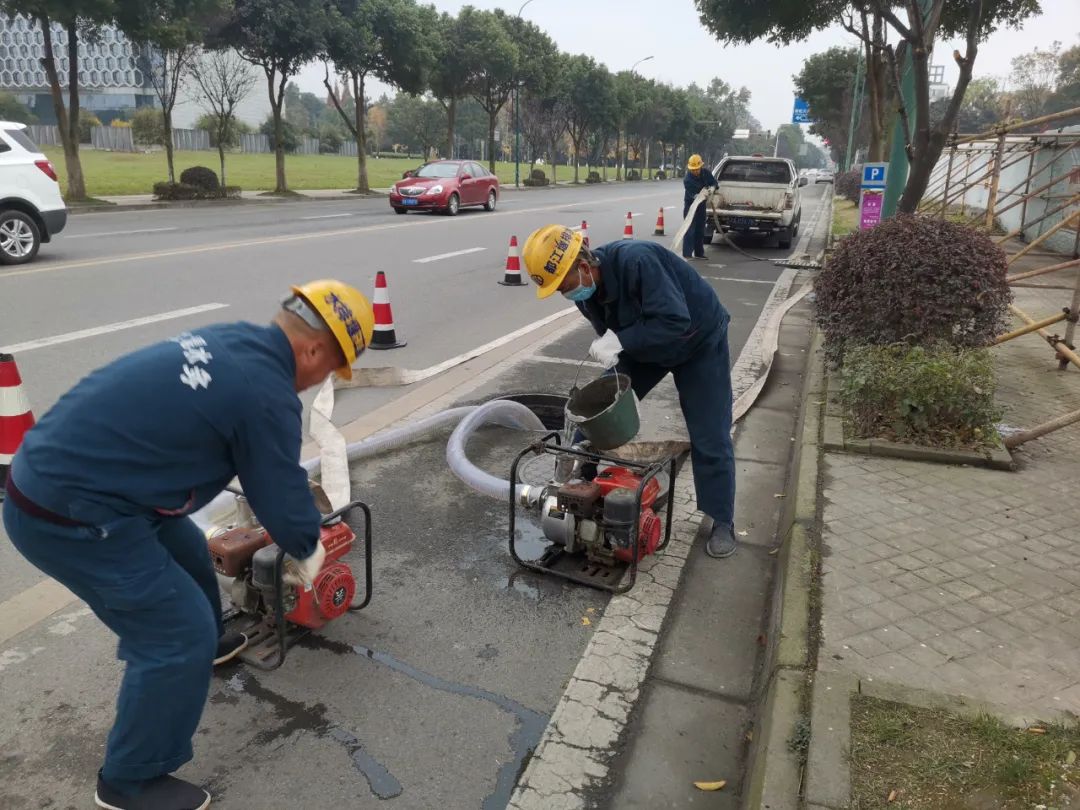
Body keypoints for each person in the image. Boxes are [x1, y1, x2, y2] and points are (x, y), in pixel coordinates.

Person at [2, 280, 374, 810]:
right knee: (173, 637)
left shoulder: (234, 340)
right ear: (314, 350)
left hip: (82, 483)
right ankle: (130, 780)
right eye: (329, 369)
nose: (320, 382)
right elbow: (279, 490)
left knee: (186, 554)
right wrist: (310, 550)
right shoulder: (266, 392)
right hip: (72, 516)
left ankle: (206, 647)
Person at [523, 225, 737, 560]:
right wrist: (615, 353)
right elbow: (613, 336)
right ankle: (578, 491)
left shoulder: (638, 261)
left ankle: (722, 519)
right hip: (646, 347)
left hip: (697, 340)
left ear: (583, 266)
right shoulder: (587, 293)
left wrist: (621, 341)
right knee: (596, 411)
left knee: (709, 432)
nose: (567, 294)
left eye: (565, 287)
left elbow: (674, 321)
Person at [682, 153, 718, 260]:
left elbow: (714, 182)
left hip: (701, 205)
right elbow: (693, 194)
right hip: (691, 205)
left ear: (701, 166)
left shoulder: (706, 173)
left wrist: (712, 188)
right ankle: (687, 253)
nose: (695, 171)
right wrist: (700, 195)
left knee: (700, 229)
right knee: (690, 229)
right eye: (693, 169)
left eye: (697, 169)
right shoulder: (687, 179)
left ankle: (699, 253)